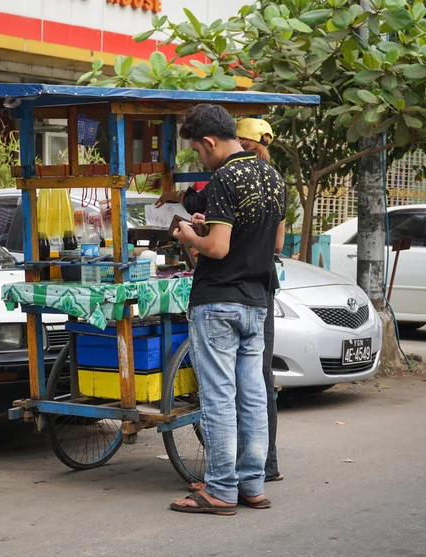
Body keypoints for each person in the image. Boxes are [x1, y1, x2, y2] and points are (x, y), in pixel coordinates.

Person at [169, 105, 286, 516]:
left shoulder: (224, 177)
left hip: (218, 300)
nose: (202, 159)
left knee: (219, 398)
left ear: (209, 142)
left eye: (200, 152)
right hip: (257, 300)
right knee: (252, 396)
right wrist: (210, 228)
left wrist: (187, 233)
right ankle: (251, 484)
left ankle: (220, 489)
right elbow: (273, 245)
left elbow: (217, 249)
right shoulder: (272, 176)